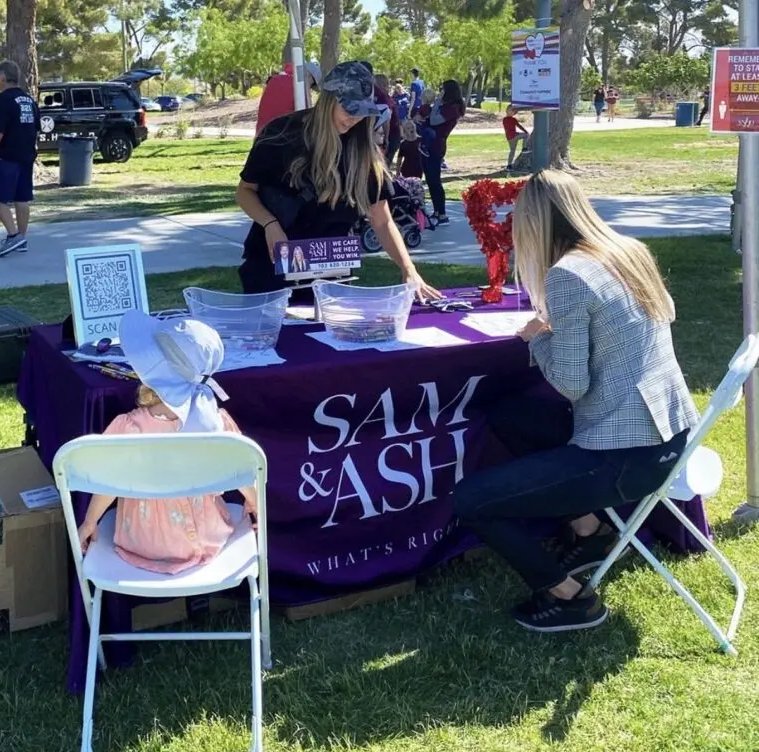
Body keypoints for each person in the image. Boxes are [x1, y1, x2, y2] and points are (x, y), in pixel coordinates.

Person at [453, 169, 699, 633]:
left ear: (534, 223)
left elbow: (571, 385)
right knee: (511, 417)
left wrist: (536, 337)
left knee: (471, 500)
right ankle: (590, 531)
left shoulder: (567, 275)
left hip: (624, 456)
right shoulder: (629, 252)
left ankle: (569, 598)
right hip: (668, 437)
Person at [235, 61, 441, 301]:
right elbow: (245, 192)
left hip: (332, 273)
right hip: (271, 268)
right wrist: (270, 224)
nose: (355, 118)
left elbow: (382, 220)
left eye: (362, 111)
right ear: (328, 100)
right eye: (349, 109)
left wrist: (409, 271)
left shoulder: (363, 150)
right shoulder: (281, 134)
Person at [76, 310, 258, 574]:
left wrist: (90, 521)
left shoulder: (131, 428)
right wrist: (255, 503)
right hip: (209, 535)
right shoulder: (217, 424)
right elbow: (242, 473)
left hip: (144, 540)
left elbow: (108, 481)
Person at [0, 60, 40, 258]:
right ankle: (22, 238)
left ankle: (13, 236)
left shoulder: (2, 100)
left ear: (3, 77)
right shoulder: (28, 100)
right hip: (26, 156)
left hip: (6, 157)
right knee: (22, 198)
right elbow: (35, 128)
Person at [421, 80, 465, 226]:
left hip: (437, 144)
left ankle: (442, 213)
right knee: (430, 179)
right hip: (430, 143)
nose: (440, 91)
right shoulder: (447, 106)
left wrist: (438, 101)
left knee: (435, 179)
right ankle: (437, 211)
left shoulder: (453, 108)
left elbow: (434, 121)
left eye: (442, 89)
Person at [255, 60, 322, 135]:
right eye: (312, 84)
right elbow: (305, 119)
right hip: (280, 138)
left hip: (260, 135)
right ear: (308, 76)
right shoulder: (299, 91)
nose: (310, 88)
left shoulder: (274, 80)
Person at [502, 105, 529, 171]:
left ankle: (509, 165)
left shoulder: (513, 119)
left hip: (514, 136)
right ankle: (524, 148)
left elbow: (519, 126)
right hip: (511, 137)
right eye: (510, 110)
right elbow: (508, 128)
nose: (512, 112)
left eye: (513, 111)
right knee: (512, 151)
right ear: (507, 110)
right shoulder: (505, 119)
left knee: (526, 135)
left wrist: (525, 131)